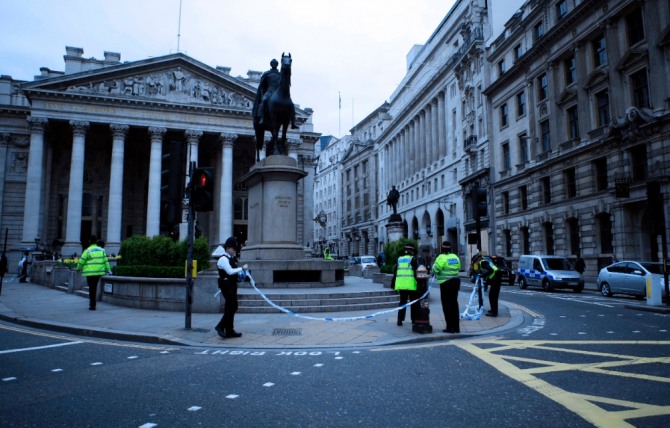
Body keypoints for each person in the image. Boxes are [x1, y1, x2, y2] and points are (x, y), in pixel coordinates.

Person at [215, 237, 248, 339]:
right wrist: (241, 268)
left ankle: (229, 330)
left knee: (231, 307)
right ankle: (220, 326)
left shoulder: (231, 259)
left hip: (231, 285)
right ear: (228, 248)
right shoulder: (223, 259)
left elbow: (233, 273)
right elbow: (229, 271)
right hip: (226, 286)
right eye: (233, 249)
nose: (234, 251)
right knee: (233, 306)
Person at [431, 241, 461, 333]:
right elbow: (459, 268)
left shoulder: (441, 257)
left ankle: (450, 327)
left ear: (442, 248)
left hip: (445, 283)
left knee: (447, 306)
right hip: (455, 282)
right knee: (454, 305)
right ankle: (456, 328)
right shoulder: (455, 257)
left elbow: (435, 269)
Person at [76, 237, 111, 311]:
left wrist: (78, 268)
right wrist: (109, 270)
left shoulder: (87, 250)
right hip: (98, 272)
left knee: (91, 288)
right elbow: (106, 261)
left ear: (89, 242)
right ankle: (93, 304)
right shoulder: (102, 250)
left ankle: (92, 305)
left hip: (90, 273)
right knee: (94, 287)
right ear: (96, 241)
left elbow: (81, 261)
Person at [393, 244, 419, 327]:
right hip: (411, 284)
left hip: (401, 285)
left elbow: (395, 271)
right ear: (411, 251)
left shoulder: (399, 259)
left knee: (402, 302)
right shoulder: (412, 259)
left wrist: (393, 283)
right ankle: (414, 320)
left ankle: (399, 320)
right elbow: (416, 272)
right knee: (413, 303)